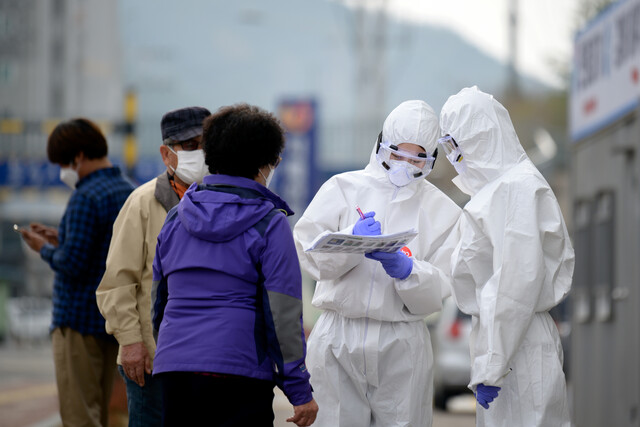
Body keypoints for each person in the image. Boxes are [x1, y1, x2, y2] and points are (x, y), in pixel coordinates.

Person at [293, 100, 461, 426]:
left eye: (417, 159)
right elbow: (308, 254)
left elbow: (446, 282)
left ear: (431, 159)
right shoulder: (343, 188)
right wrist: (349, 242)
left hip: (401, 341)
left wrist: (410, 272)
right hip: (338, 334)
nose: (404, 165)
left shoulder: (442, 211)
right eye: (397, 154)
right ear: (382, 144)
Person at [151, 103, 318, 426]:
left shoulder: (176, 218)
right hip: (238, 370)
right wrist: (299, 390)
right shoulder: (270, 224)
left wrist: (175, 347)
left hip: (175, 369)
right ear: (265, 164)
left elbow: (159, 300)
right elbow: (282, 315)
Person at [438, 86, 574, 426]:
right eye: (448, 147)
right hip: (505, 342)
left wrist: (492, 364)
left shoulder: (516, 188)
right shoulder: (496, 191)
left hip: (520, 344)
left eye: (456, 145)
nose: (454, 158)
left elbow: (515, 284)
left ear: (479, 137)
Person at [96, 106, 211, 426]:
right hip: (150, 359)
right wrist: (132, 343)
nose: (200, 153)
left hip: (207, 359)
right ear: (166, 153)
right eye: (190, 146)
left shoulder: (223, 201)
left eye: (206, 144)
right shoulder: (142, 203)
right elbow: (117, 283)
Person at [17, 118, 134, 427]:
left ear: (78, 156)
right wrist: (61, 237)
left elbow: (72, 264)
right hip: (114, 323)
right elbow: (105, 250)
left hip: (79, 322)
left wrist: (42, 247)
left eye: (62, 162)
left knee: (80, 413)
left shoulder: (85, 196)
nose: (62, 171)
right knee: (113, 413)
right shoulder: (128, 191)